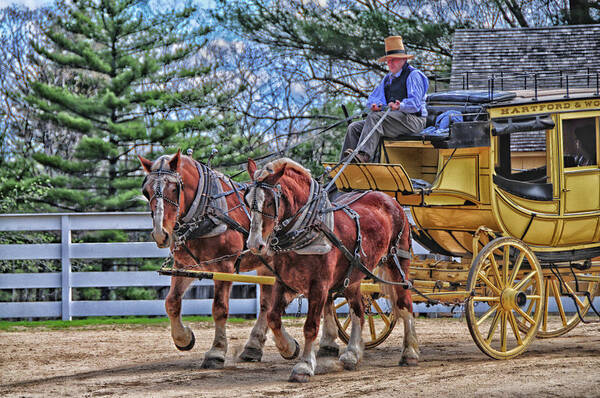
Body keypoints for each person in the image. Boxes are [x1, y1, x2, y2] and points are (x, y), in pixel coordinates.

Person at [341, 36, 429, 163]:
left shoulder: (414, 75)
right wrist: (375, 105)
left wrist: (400, 106)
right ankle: (345, 164)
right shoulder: (387, 79)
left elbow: (415, 104)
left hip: (414, 121)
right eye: (388, 61)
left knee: (374, 118)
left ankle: (363, 156)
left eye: (393, 60)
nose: (390, 63)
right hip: (394, 120)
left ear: (403, 60)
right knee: (354, 127)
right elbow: (373, 99)